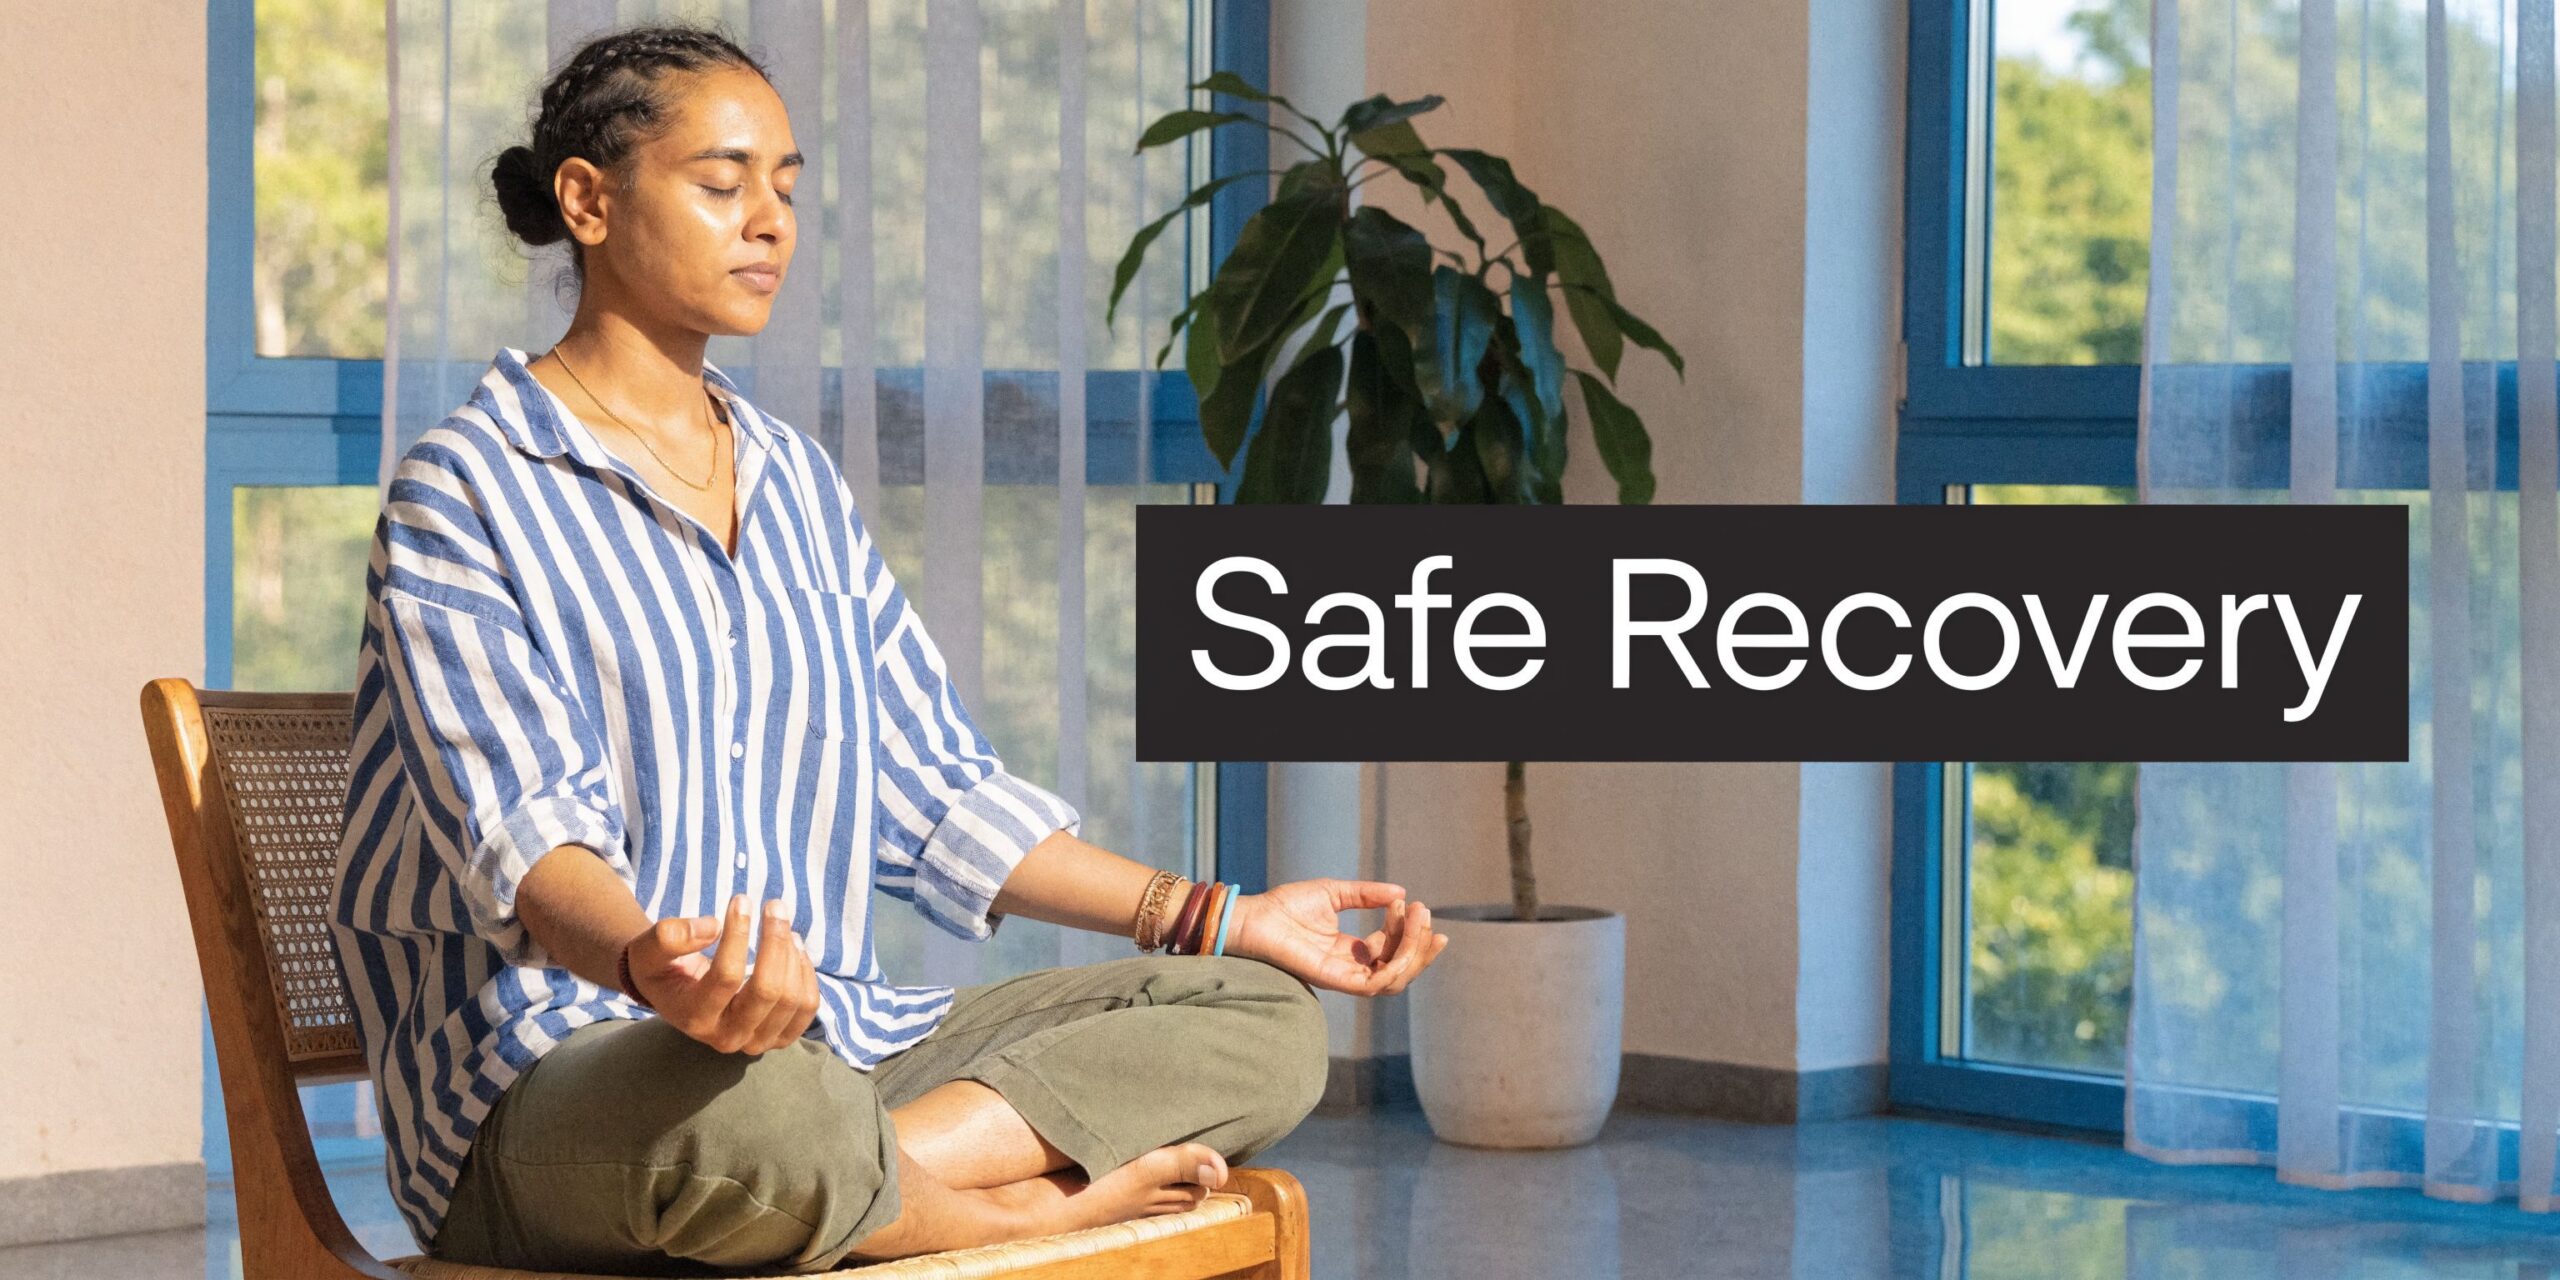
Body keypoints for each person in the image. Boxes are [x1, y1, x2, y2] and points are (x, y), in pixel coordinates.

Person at [327, 22, 1449, 1277]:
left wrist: (1224, 914)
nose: (769, 223)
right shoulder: (464, 487)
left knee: (1258, 1017)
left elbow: (937, 795)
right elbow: (533, 843)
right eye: (721, 182)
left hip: (826, 1052)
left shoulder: (794, 482)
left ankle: (877, 1176)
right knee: (755, 1112)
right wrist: (660, 969)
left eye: (787, 189)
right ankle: (1009, 1210)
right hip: (557, 1078)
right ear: (588, 200)